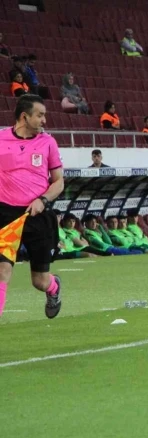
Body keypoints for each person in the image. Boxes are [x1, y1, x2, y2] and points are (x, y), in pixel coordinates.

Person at [0, 95, 64, 319]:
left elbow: (59, 182)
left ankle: (53, 287)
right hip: (6, 215)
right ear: (24, 116)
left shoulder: (48, 143)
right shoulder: (1, 139)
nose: (44, 120)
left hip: (38, 214)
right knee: (2, 270)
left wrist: (43, 200)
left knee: (40, 281)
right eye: (40, 115)